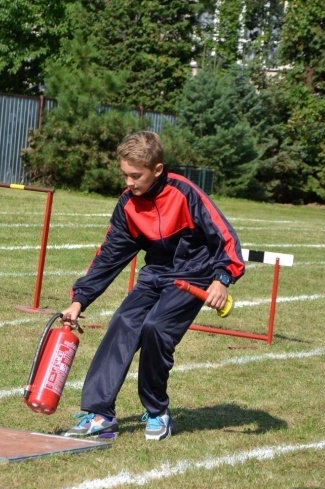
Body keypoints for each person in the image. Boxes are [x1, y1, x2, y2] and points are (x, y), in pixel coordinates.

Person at [60, 131, 244, 441]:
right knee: (122, 322)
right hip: (155, 275)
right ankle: (99, 414)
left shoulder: (186, 193)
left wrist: (222, 279)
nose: (129, 182)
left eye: (136, 175)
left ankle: (157, 411)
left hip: (193, 277)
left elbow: (225, 237)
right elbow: (109, 255)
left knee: (156, 328)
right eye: (125, 174)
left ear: (157, 170)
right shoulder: (128, 204)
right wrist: (80, 300)